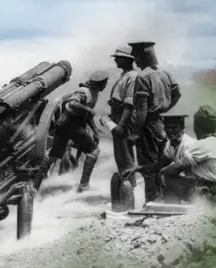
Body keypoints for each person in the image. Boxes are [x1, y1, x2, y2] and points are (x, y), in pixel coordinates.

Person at [32, 70, 109, 193]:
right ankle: (83, 186)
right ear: (102, 84)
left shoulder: (93, 93)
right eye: (105, 83)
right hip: (71, 124)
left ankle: (35, 186)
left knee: (53, 155)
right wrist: (87, 109)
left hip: (64, 124)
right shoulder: (84, 92)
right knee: (94, 151)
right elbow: (72, 103)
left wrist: (94, 130)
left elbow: (87, 115)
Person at [159, 106, 216, 205]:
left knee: (166, 176)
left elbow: (174, 170)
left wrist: (162, 171)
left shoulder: (203, 144)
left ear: (198, 126)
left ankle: (172, 208)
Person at [128, 41, 181, 203]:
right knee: (161, 163)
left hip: (148, 126)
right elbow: (177, 94)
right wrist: (164, 109)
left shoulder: (143, 77)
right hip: (161, 125)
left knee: (148, 166)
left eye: (137, 57)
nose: (135, 61)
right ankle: (163, 198)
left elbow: (142, 109)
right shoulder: (166, 73)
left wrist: (135, 133)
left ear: (144, 57)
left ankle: (151, 201)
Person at [120, 113, 197, 200]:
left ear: (182, 128)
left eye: (174, 128)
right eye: (167, 128)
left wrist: (164, 171)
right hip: (188, 182)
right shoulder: (170, 144)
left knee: (164, 176)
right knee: (162, 174)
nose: (170, 131)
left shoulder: (188, 145)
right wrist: (136, 169)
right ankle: (170, 205)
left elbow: (181, 169)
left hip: (197, 184)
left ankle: (179, 203)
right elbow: (158, 165)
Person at [104, 44, 138, 188]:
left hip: (124, 119)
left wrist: (121, 125)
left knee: (125, 155)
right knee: (120, 155)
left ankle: (131, 187)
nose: (116, 61)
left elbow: (129, 104)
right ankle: (126, 186)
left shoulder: (132, 77)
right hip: (118, 116)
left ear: (126, 60)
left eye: (118, 58)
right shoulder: (124, 75)